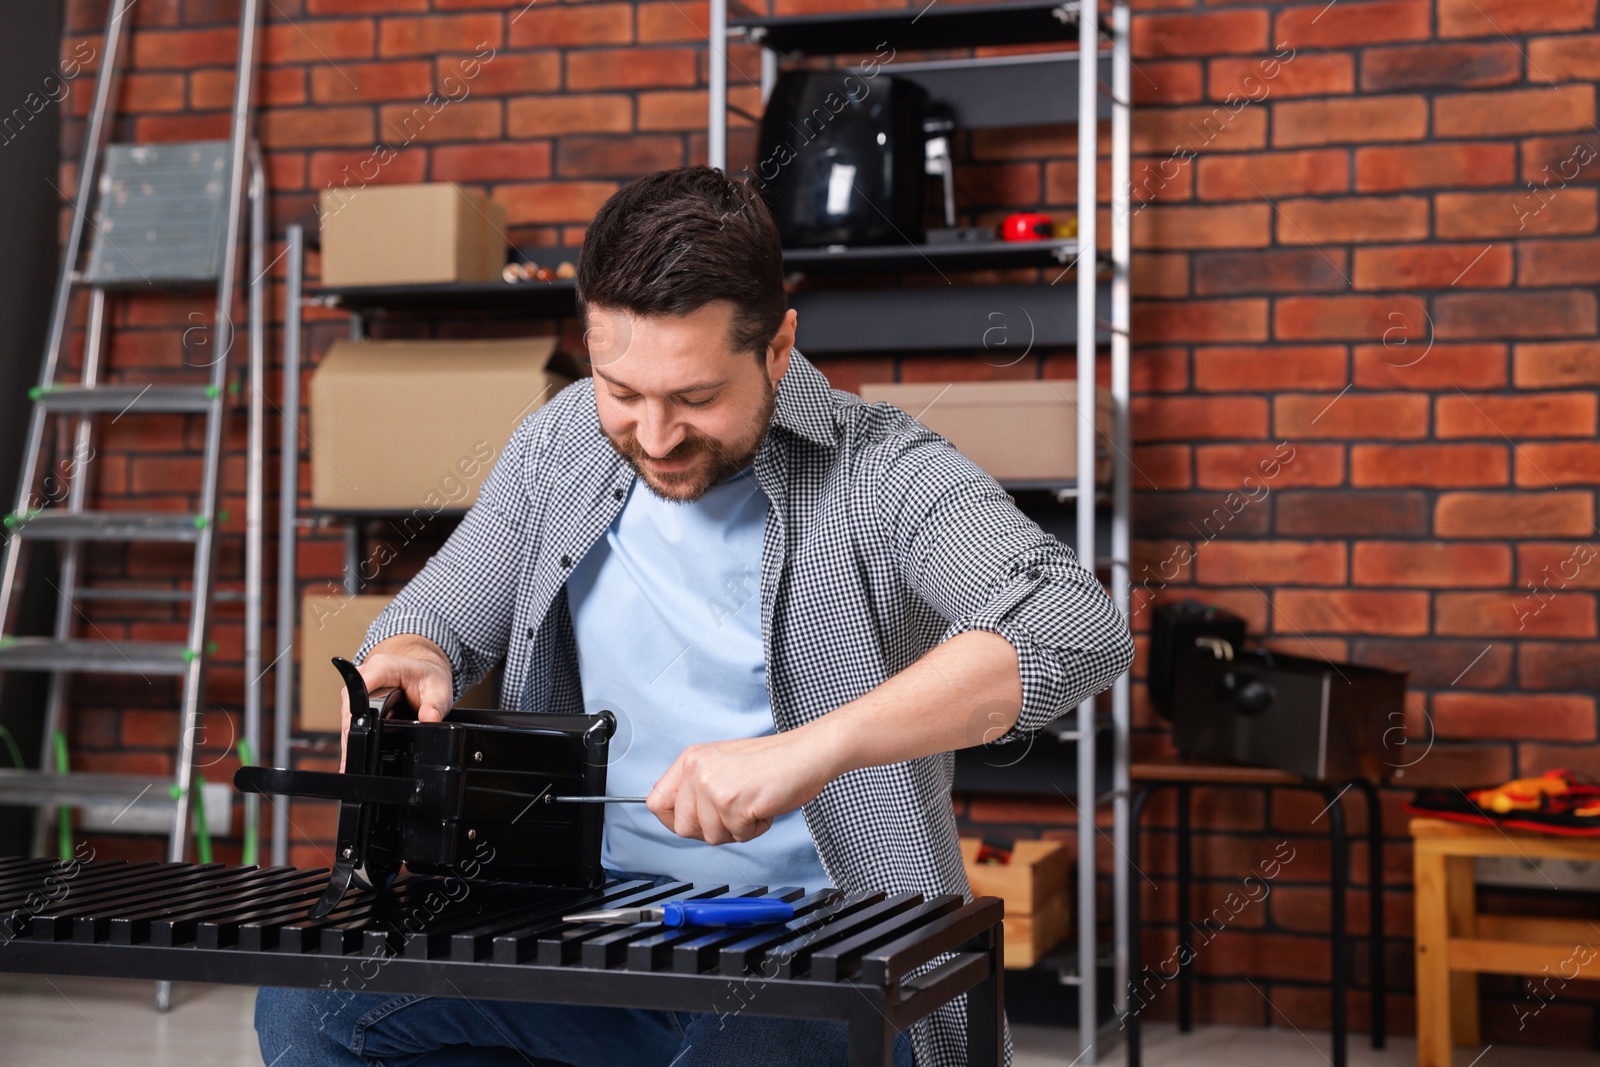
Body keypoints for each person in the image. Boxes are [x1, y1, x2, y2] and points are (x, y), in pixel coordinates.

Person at [255, 165, 1133, 1067]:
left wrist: (811, 750)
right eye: (623, 392)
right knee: (312, 1005)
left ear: (779, 349)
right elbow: (444, 606)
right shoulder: (561, 441)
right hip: (601, 925)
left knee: (756, 1041)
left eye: (697, 398)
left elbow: (1073, 622)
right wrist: (411, 646)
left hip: (828, 951)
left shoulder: (883, 470)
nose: (658, 436)